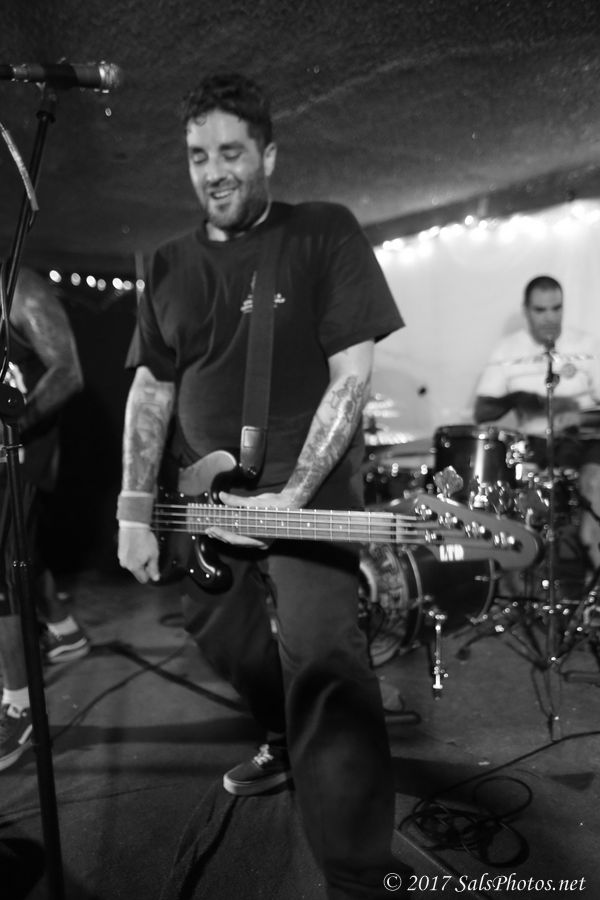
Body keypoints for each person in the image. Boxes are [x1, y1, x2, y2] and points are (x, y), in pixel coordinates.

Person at [117, 73, 411, 898]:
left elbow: (352, 374)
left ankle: (357, 874)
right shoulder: (167, 263)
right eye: (197, 155)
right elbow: (152, 390)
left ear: (269, 155)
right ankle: (281, 739)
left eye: (231, 153)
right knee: (219, 631)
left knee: (324, 659)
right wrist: (132, 509)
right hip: (205, 503)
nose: (212, 172)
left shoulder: (322, 231)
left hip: (306, 500)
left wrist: (295, 495)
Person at [0, 266, 87, 771]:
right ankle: (63, 628)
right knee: (19, 551)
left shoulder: (19, 288)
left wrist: (12, 427)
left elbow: (68, 372)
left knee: (4, 572)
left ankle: (20, 705)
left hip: (21, 451)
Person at [474, 274, 600, 575]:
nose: (550, 317)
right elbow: (482, 412)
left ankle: (592, 561)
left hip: (584, 442)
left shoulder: (586, 345)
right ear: (526, 310)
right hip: (533, 447)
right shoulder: (508, 350)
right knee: (498, 486)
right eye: (540, 310)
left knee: (595, 484)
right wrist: (521, 398)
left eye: (557, 308)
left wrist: (579, 417)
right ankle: (518, 573)